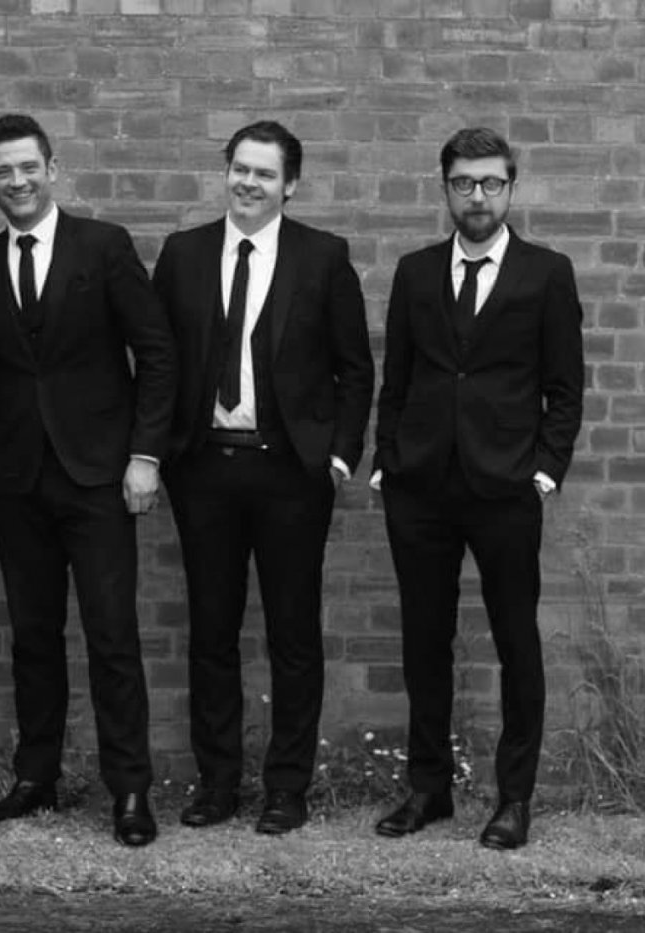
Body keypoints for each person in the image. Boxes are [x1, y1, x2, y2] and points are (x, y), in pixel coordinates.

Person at [0, 113, 177, 847]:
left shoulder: (103, 247)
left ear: (52, 169)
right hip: (18, 482)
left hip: (99, 477)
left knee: (112, 636)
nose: (16, 181)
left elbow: (157, 353)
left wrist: (146, 455)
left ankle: (130, 789)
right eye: (2, 172)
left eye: (27, 167)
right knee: (33, 637)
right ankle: (35, 777)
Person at [152, 120, 374, 835]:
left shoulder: (323, 257)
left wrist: (337, 457)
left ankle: (287, 788)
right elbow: (158, 362)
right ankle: (216, 784)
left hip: (290, 474)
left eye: (265, 174)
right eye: (240, 169)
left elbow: (355, 368)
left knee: (293, 634)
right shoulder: (183, 254)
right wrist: (159, 452)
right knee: (211, 632)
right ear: (227, 171)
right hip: (204, 470)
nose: (249, 183)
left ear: (290, 185)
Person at [371, 127, 585, 850]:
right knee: (423, 642)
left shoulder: (546, 273)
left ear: (511, 187)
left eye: (491, 183)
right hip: (421, 487)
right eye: (464, 183)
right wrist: (387, 459)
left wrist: (545, 470)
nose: (478, 196)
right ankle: (428, 788)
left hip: (506, 488)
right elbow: (397, 378)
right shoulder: (415, 272)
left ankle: (514, 798)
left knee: (516, 640)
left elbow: (565, 387)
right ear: (446, 189)